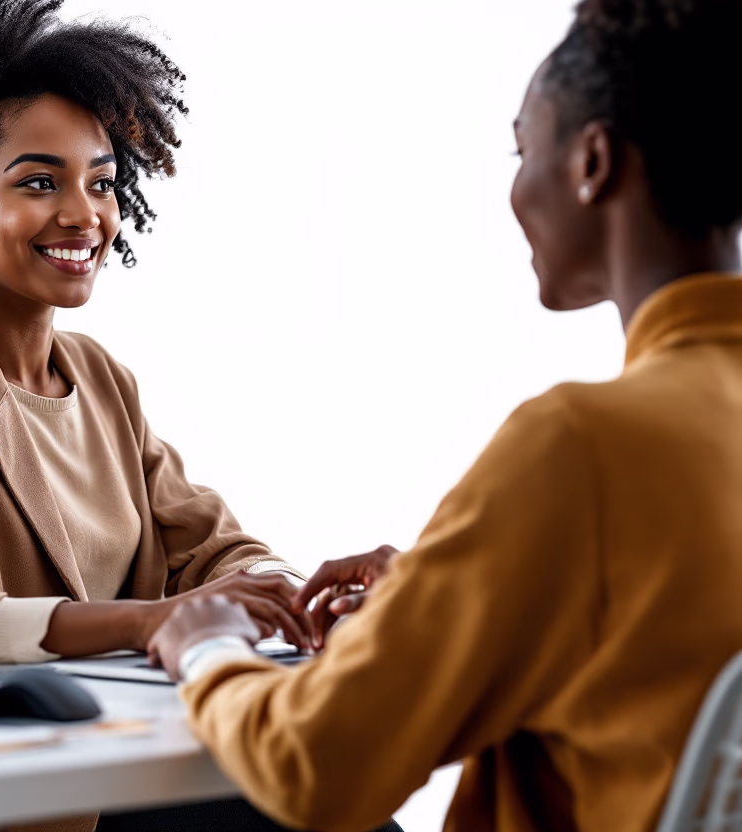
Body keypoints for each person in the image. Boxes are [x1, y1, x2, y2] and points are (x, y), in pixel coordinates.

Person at [147, 1, 742, 831]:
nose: (514, 183)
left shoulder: (583, 447)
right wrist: (432, 596)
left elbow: (317, 764)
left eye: (521, 147)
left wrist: (207, 650)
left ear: (593, 161)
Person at [0, 2, 365, 830]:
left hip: (110, 772)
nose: (82, 214)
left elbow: (208, 548)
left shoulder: (99, 378)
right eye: (38, 182)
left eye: (100, 182)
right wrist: (138, 623)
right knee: (305, 803)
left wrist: (295, 594)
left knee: (325, 790)